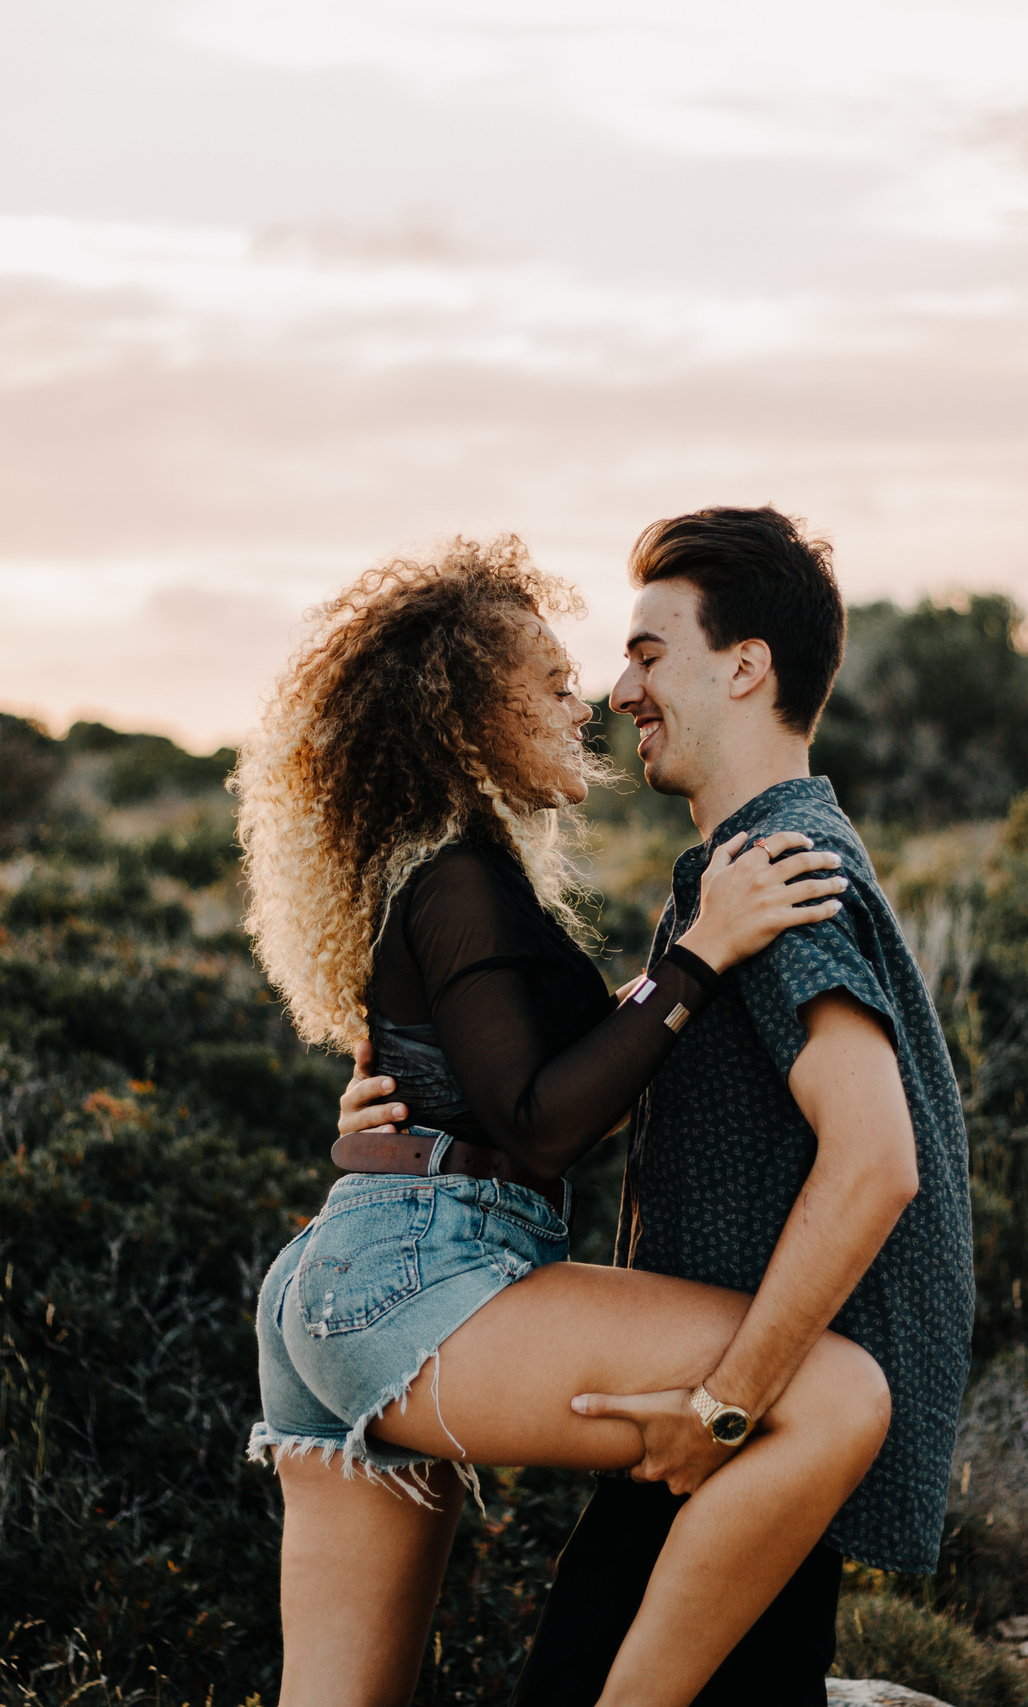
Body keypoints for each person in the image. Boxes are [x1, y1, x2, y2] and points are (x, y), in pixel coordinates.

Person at [238, 535, 901, 1707]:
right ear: (470, 716)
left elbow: (538, 1082)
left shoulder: (453, 872)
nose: (588, 704)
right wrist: (698, 957)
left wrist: (406, 1124)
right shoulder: (456, 877)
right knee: (835, 1392)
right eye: (549, 689)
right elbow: (544, 1125)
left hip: (342, 1285)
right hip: (418, 1281)